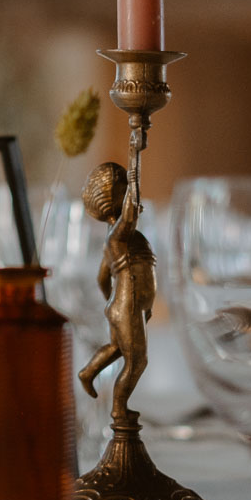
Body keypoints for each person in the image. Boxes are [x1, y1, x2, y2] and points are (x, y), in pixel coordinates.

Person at [76, 160, 156, 422]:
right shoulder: (118, 236)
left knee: (116, 348)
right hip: (128, 305)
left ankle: (89, 372)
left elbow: (102, 278)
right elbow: (130, 215)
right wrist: (134, 177)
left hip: (126, 304)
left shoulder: (114, 238)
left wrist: (113, 301)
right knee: (137, 362)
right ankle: (119, 409)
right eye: (126, 194)